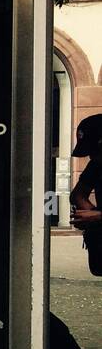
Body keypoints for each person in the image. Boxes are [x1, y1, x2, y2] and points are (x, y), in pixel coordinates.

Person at [70, 113, 102, 276]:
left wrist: (97, 217)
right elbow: (77, 195)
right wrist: (87, 215)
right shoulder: (96, 165)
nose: (92, 156)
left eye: (94, 151)